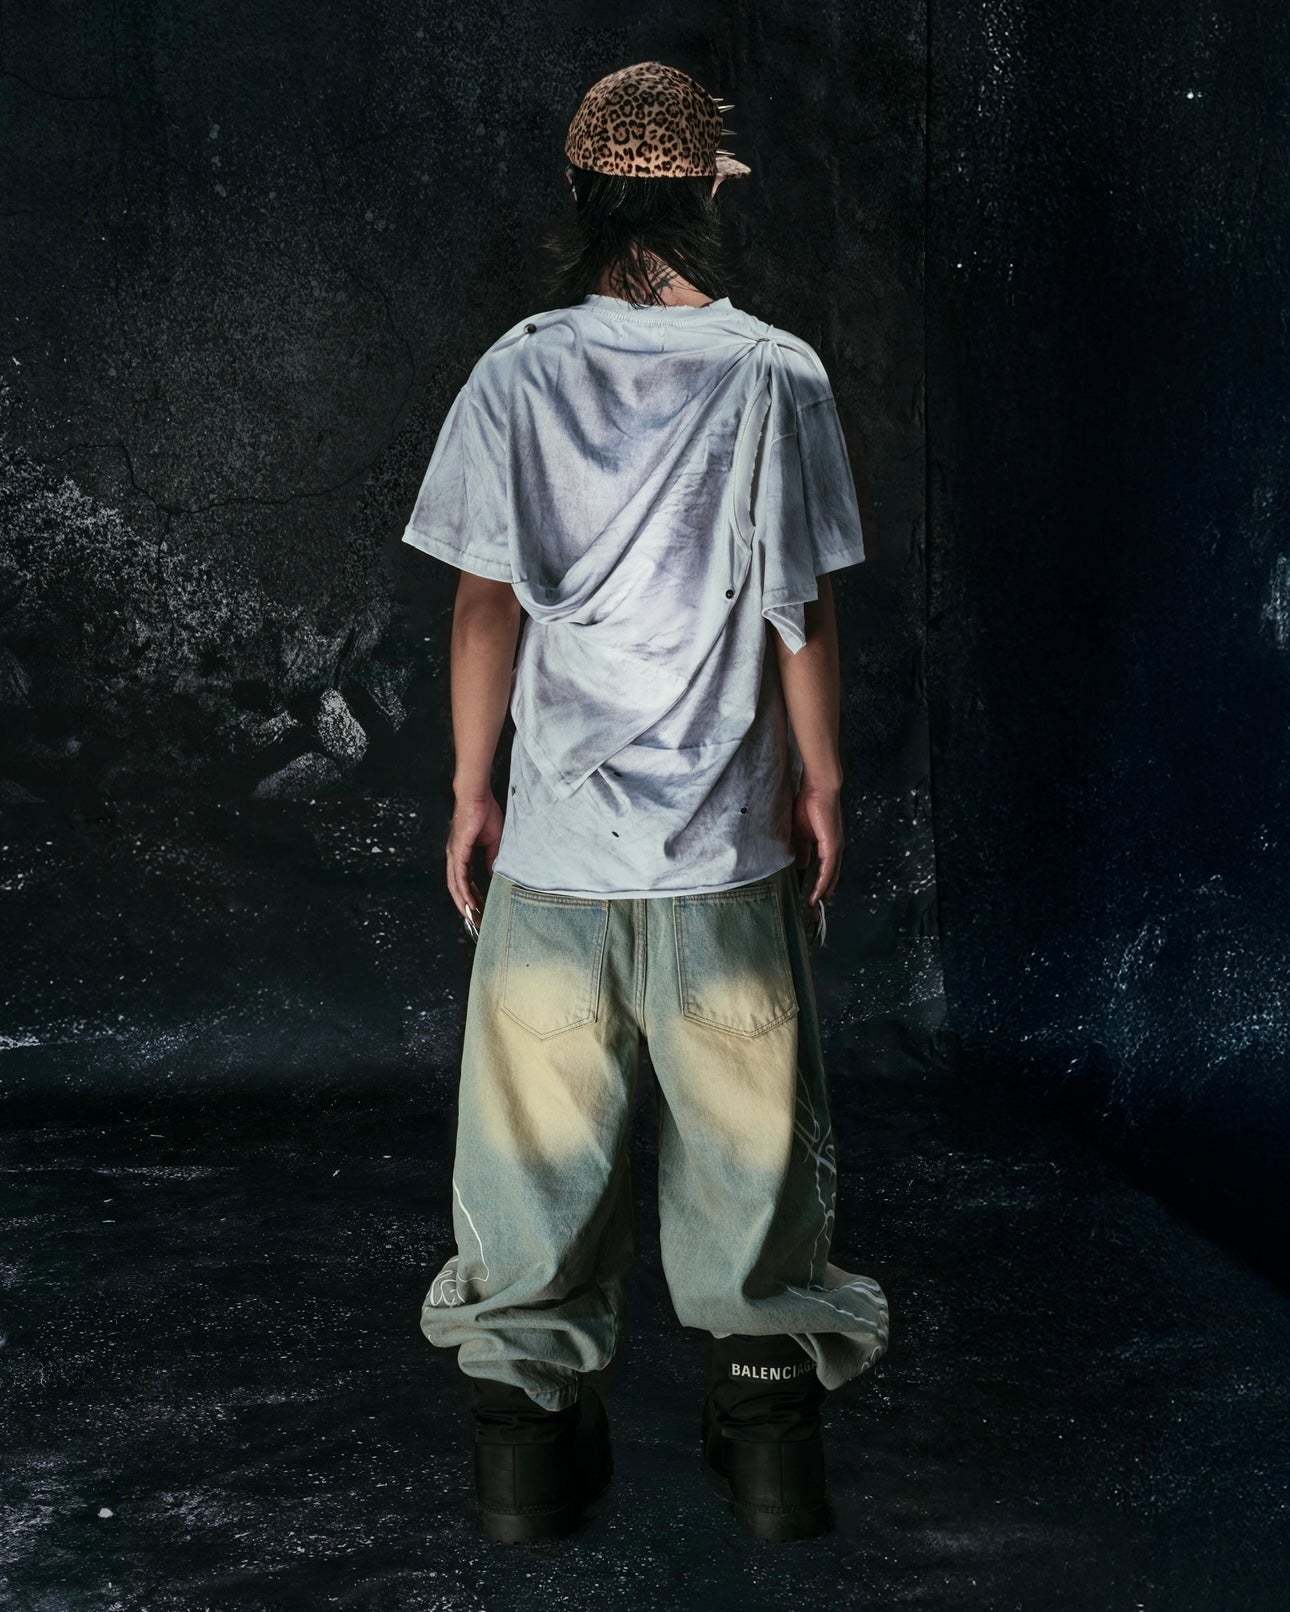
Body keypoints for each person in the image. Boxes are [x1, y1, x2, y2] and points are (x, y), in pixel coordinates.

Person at [401, 60, 890, 1545]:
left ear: (582, 196)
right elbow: (802, 613)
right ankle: (770, 1459)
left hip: (557, 855)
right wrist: (822, 782)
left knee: (531, 1168)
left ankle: (527, 1466)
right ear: (703, 203)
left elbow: (484, 605)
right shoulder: (776, 373)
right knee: (753, 1157)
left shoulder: (516, 371)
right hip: (723, 857)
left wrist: (473, 790)